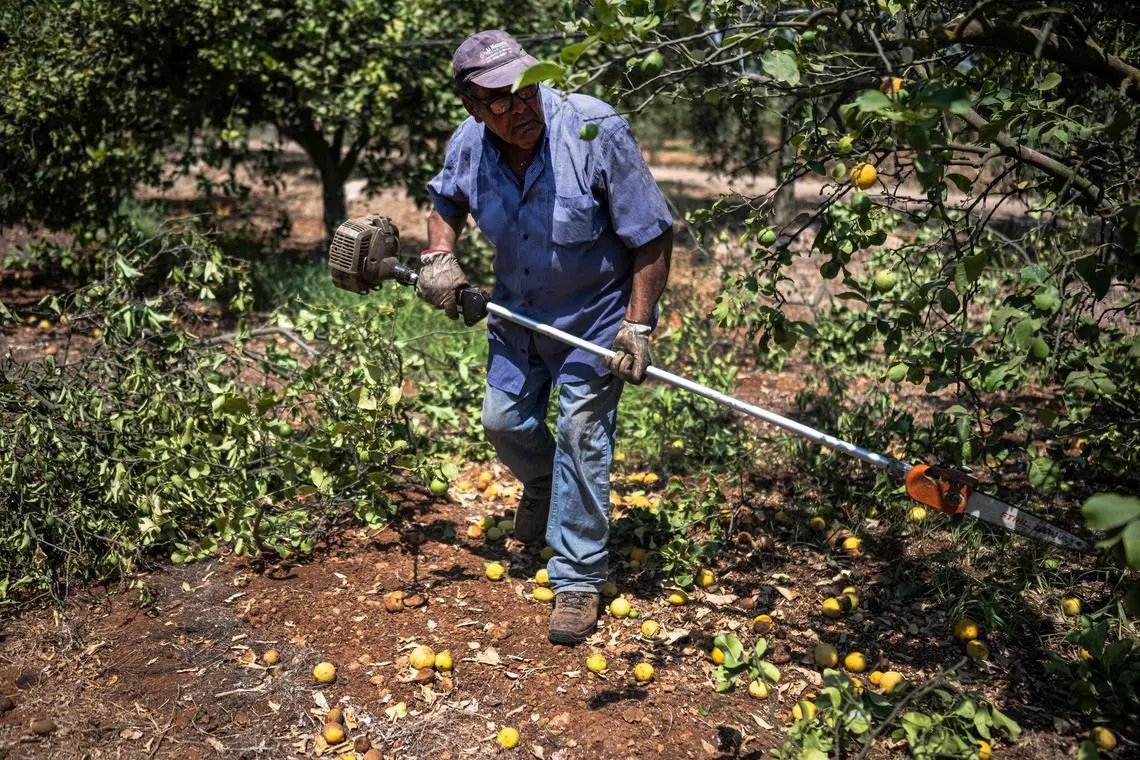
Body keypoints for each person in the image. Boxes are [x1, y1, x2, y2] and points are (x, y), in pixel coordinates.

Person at [416, 29, 673, 645]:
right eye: (498, 102)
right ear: (473, 107)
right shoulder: (469, 145)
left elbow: (653, 235)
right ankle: (540, 483)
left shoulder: (593, 130)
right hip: (517, 316)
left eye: (526, 92)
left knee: (583, 436)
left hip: (593, 323)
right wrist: (438, 256)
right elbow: (444, 205)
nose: (518, 109)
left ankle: (579, 577)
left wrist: (636, 326)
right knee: (502, 423)